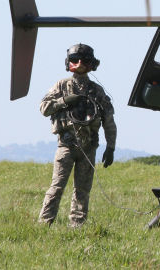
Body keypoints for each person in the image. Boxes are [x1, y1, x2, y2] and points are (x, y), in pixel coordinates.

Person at [38, 43, 116, 228]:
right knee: (56, 187)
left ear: (91, 63)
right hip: (66, 145)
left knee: (82, 190)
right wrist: (63, 101)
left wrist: (111, 147)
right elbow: (44, 108)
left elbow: (109, 121)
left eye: (84, 60)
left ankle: (77, 226)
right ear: (69, 62)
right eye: (75, 60)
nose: (79, 63)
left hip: (88, 147)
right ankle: (44, 223)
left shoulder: (97, 91)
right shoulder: (62, 86)